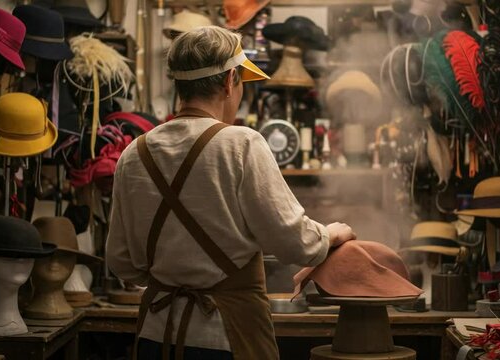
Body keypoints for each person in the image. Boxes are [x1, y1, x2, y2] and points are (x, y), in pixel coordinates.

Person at [106, 26, 356, 360]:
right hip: (227, 336)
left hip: (156, 335)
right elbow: (296, 243)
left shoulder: (134, 154)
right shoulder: (241, 144)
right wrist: (331, 235)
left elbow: (122, 263)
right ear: (229, 82)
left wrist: (175, 274)